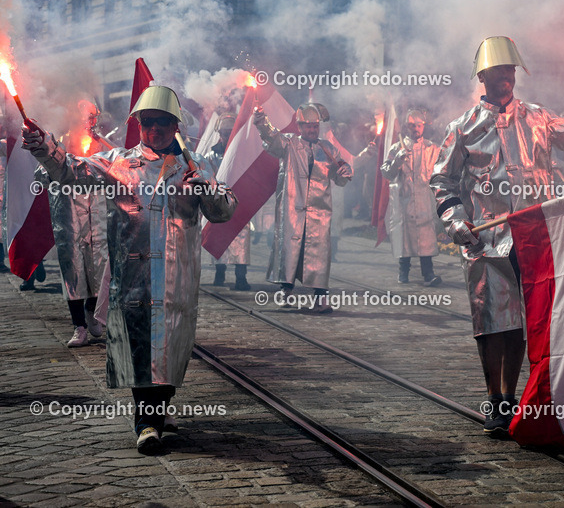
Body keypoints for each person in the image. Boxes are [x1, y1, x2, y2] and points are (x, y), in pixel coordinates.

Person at [431, 36, 564, 433]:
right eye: (498, 71)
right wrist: (455, 219)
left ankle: (516, 395)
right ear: (483, 76)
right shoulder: (463, 128)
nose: (506, 77)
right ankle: (495, 400)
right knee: (492, 321)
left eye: (511, 70)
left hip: (535, 240)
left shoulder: (539, 118)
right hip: (484, 243)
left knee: (525, 322)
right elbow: (442, 179)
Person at [22, 85, 237, 453]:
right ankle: (146, 424)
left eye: (163, 123)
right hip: (133, 280)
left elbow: (224, 212)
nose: (155, 129)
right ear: (139, 125)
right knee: (141, 351)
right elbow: (70, 171)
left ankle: (159, 409)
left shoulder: (196, 164)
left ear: (176, 126)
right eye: (148, 122)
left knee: (169, 352)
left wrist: (207, 188)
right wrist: (43, 144)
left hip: (176, 280)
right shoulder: (119, 161)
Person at [254, 102, 352, 313]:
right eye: (308, 126)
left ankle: (321, 298)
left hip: (319, 210)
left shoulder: (328, 148)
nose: (312, 130)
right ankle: (286, 289)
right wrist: (262, 120)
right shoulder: (288, 144)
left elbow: (340, 173)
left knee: (318, 252)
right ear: (299, 127)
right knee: (290, 250)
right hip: (293, 208)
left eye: (315, 126)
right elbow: (270, 137)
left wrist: (345, 171)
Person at [38, 99, 112, 346]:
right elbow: (41, 174)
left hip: (98, 217)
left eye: (91, 118)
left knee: (100, 269)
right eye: (83, 117)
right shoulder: (59, 146)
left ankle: (93, 311)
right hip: (69, 217)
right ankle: (78, 326)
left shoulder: (104, 145)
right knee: (73, 271)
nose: (87, 123)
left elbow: (120, 169)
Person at [381, 109, 443, 286]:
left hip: (424, 200)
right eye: (412, 125)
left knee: (425, 238)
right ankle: (403, 272)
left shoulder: (432, 148)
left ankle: (428, 273)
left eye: (418, 125)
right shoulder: (396, 148)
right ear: (406, 127)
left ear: (423, 126)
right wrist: (397, 161)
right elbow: (386, 172)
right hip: (404, 201)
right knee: (405, 238)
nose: (415, 128)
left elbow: (441, 171)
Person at [202, 113, 251, 291]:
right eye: (224, 132)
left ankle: (241, 277)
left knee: (241, 239)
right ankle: (219, 273)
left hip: (239, 201)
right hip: (218, 201)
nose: (226, 136)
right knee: (219, 238)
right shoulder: (210, 155)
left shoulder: (242, 154)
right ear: (219, 134)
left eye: (230, 132)